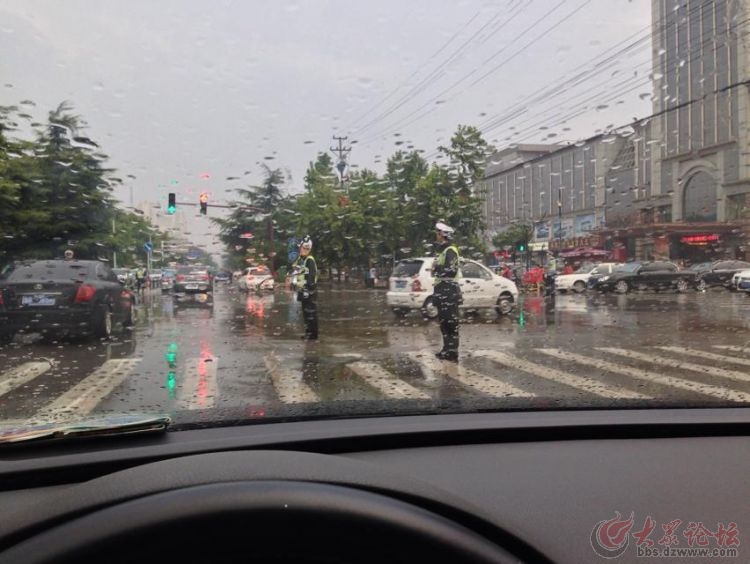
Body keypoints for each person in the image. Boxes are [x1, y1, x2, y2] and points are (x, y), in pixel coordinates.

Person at [432, 221, 462, 362]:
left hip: (449, 291)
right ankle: (446, 349)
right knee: (444, 323)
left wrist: (436, 268)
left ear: (443, 235)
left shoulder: (451, 250)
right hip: (442, 291)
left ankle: (452, 351)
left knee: (450, 323)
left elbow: (451, 271)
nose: (436, 236)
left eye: (438, 233)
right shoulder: (444, 251)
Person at [293, 235, 318, 340]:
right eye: (303, 248)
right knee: (305, 313)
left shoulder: (309, 260)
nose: (305, 250)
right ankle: (308, 333)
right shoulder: (302, 259)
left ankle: (313, 335)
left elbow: (311, 275)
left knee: (311, 313)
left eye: (307, 248)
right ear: (300, 247)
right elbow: (297, 270)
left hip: (309, 291)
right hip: (303, 290)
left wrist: (308, 288)